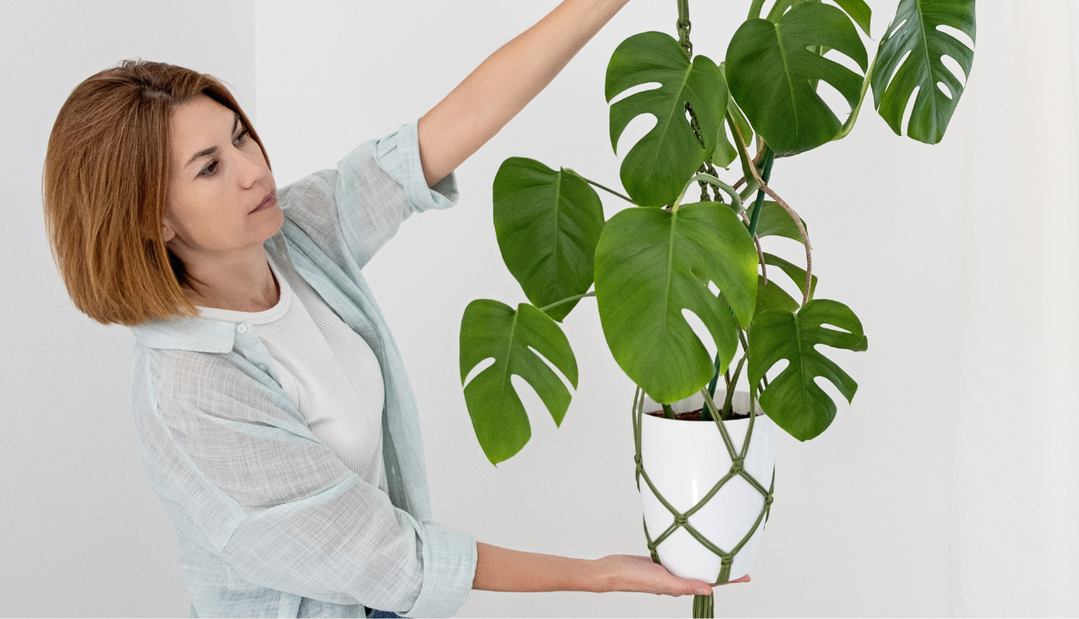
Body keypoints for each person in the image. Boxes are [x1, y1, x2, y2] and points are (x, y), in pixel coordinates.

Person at [42, 1, 746, 616]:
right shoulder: (190, 390)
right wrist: (598, 576)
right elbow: (392, 558)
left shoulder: (292, 239)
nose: (254, 169)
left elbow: (434, 138)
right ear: (153, 220)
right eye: (209, 167)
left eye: (239, 136)